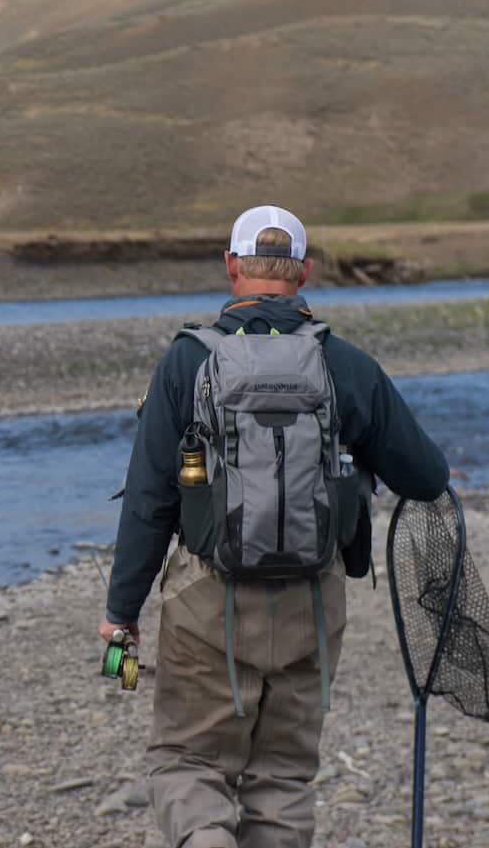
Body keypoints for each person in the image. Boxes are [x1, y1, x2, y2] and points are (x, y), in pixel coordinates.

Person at [99, 206, 448, 848]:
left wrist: (122, 613)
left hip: (206, 599)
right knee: (283, 777)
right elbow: (426, 477)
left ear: (232, 267)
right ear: (304, 272)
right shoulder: (344, 363)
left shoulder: (185, 362)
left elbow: (149, 500)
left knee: (188, 761)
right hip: (313, 600)